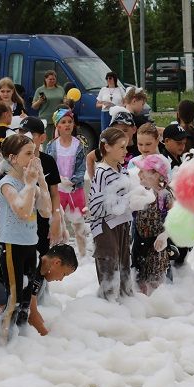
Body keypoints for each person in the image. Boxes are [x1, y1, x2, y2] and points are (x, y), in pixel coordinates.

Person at [0, 134, 52, 340]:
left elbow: (46, 211)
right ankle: (4, 344)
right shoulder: (7, 183)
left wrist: (41, 181)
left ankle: (22, 343)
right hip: (11, 246)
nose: (34, 158)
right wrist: (29, 185)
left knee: (26, 299)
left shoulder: (31, 184)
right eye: (28, 154)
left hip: (29, 245)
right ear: (13, 158)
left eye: (34, 153)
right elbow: (22, 212)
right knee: (14, 299)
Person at [0, 242, 77, 336]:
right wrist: (49, 339)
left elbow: (32, 311)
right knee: (11, 306)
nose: (61, 279)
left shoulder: (38, 272)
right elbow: (31, 315)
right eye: (64, 274)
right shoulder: (33, 264)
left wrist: (46, 329)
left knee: (13, 306)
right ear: (56, 263)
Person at [88, 127, 133, 300]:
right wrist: (123, 202)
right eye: (121, 147)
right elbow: (95, 207)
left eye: (126, 146)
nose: (126, 151)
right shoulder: (102, 172)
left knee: (123, 267)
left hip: (121, 225)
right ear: (107, 147)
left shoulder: (122, 170)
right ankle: (108, 309)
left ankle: (125, 306)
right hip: (105, 229)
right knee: (109, 269)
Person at [17, 116, 64, 256]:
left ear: (42, 138)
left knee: (42, 261)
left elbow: (54, 193)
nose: (25, 138)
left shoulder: (48, 161)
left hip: (42, 221)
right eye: (21, 133)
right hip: (20, 222)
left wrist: (56, 218)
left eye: (31, 134)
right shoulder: (14, 162)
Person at [131, 154, 175, 294]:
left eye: (143, 171)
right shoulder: (140, 192)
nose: (138, 174)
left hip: (157, 246)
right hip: (139, 244)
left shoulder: (165, 195)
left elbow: (176, 219)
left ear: (156, 175)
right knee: (140, 282)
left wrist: (164, 235)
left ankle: (159, 310)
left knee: (157, 285)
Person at [46, 107, 87, 257]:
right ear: (57, 126)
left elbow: (82, 168)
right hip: (58, 190)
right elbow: (49, 167)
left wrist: (73, 181)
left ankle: (83, 255)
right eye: (63, 122)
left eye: (70, 121)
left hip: (75, 190)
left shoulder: (79, 145)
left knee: (79, 225)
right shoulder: (52, 145)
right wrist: (56, 181)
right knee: (56, 223)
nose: (67, 124)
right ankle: (56, 253)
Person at [32, 70, 65, 141]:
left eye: (54, 79)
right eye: (50, 79)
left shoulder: (60, 89)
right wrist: (39, 101)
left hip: (59, 118)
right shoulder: (40, 90)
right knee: (47, 141)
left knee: (58, 140)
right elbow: (34, 107)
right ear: (45, 79)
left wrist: (66, 101)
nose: (52, 81)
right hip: (46, 119)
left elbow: (64, 102)